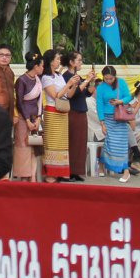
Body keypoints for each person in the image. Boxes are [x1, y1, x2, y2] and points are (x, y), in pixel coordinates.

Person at [94, 65, 136, 181]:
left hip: (120, 118)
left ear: (115, 76)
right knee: (109, 143)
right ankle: (102, 165)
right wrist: (102, 123)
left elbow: (128, 96)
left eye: (111, 78)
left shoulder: (121, 83)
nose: (108, 81)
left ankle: (125, 171)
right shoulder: (101, 87)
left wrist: (120, 101)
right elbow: (99, 105)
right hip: (107, 119)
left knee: (121, 145)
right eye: (106, 78)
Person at [39, 49, 71, 181]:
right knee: (52, 143)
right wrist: (68, 84)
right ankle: (50, 173)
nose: (59, 61)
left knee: (61, 143)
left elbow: (67, 94)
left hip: (63, 112)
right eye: (57, 59)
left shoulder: (58, 75)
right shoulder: (46, 77)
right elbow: (55, 95)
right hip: (52, 111)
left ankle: (60, 171)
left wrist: (73, 85)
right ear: (51, 61)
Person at [13, 52, 45, 181]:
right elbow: (19, 102)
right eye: (42, 65)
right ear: (36, 66)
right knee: (23, 146)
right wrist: (26, 119)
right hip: (23, 117)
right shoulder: (22, 80)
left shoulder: (38, 80)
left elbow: (40, 101)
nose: (43, 68)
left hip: (35, 117)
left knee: (34, 147)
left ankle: (33, 176)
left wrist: (38, 118)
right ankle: (23, 175)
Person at [63, 51, 92, 181]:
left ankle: (76, 171)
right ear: (71, 62)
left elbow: (85, 93)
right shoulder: (67, 76)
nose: (81, 63)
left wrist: (90, 83)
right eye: (79, 60)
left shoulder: (77, 76)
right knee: (72, 142)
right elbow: (72, 94)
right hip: (72, 111)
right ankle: (68, 171)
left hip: (81, 110)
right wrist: (86, 81)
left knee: (80, 143)